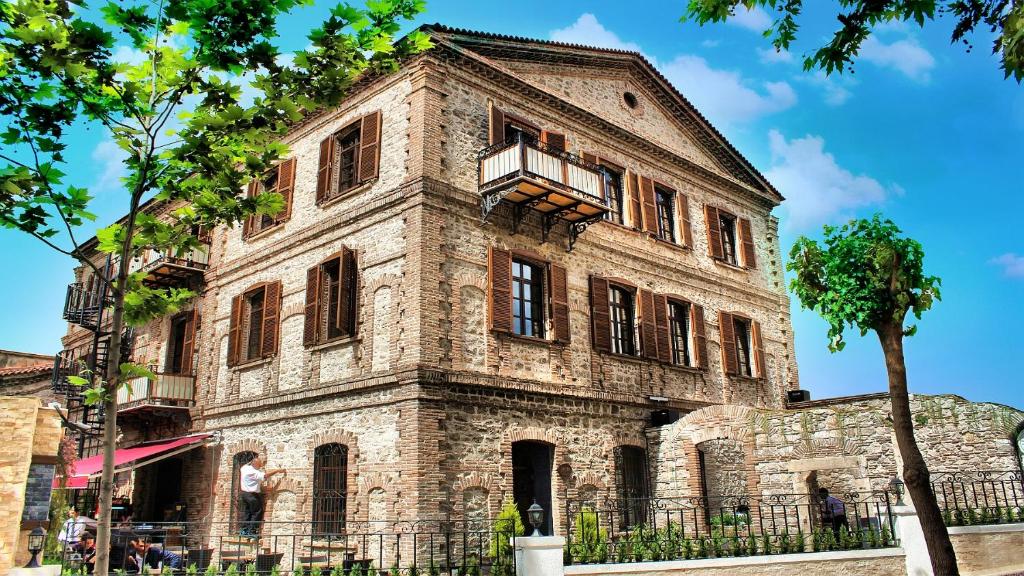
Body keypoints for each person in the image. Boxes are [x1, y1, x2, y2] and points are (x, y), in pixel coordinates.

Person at [239, 454, 284, 537]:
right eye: (259, 465)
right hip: (252, 495)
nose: (260, 467)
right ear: (255, 464)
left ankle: (244, 530)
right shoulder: (254, 472)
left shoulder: (244, 468)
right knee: (257, 512)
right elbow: (265, 475)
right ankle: (252, 532)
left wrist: (255, 459)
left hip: (244, 494)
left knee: (247, 512)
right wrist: (277, 470)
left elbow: (249, 463)